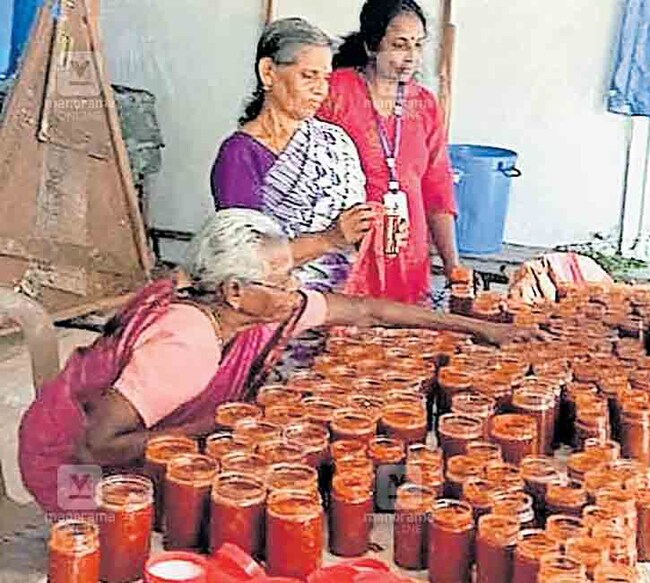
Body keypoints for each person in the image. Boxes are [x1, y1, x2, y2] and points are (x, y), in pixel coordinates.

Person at [18, 209, 536, 514]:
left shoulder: (251, 312)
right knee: (179, 526)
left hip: (120, 445)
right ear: (236, 290)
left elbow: (366, 311)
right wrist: (213, 428)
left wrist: (480, 329)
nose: (296, 290)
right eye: (283, 279)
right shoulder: (186, 344)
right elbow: (97, 444)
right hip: (71, 471)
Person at [211, 17, 375, 294]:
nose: (321, 89)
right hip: (274, 309)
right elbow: (244, 261)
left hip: (342, 307)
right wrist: (329, 239)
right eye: (308, 76)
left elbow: (355, 230)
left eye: (325, 77)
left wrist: (377, 230)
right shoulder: (240, 155)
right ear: (268, 72)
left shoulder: (335, 141)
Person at [317, 0, 460, 304]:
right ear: (372, 46)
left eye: (418, 45)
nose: (411, 57)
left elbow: (438, 191)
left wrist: (453, 267)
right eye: (399, 45)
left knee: (400, 348)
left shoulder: (424, 104)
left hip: (408, 258)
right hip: (346, 256)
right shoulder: (334, 92)